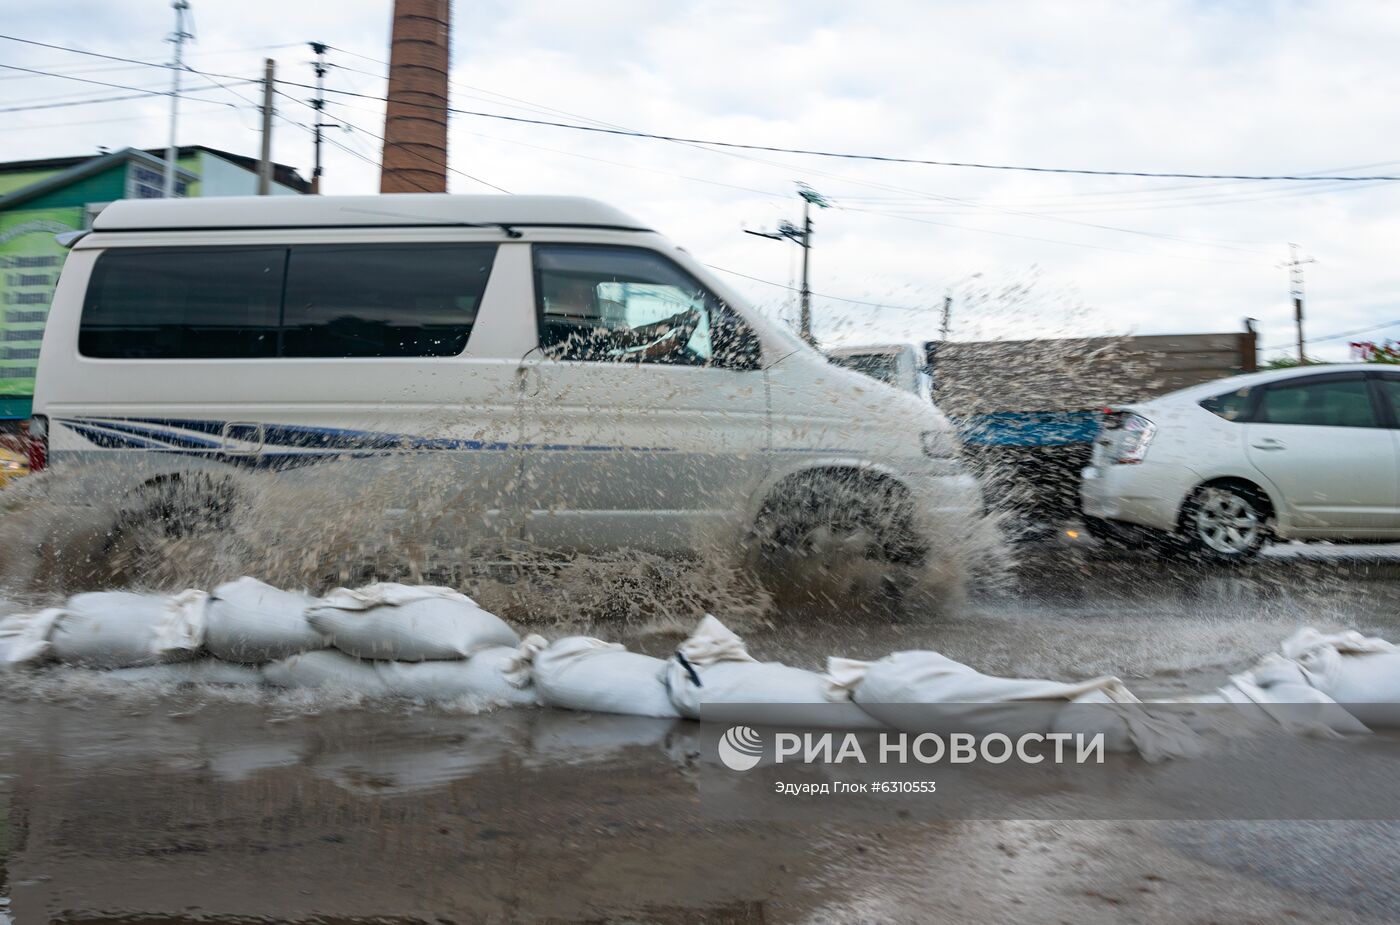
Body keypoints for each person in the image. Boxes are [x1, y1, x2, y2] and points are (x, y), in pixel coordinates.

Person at [543, 275, 701, 362]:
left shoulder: (584, 329)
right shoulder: (552, 329)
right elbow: (597, 362)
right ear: (564, 294)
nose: (591, 299)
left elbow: (627, 338)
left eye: (591, 293)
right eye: (584, 293)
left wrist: (675, 321)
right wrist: (657, 350)